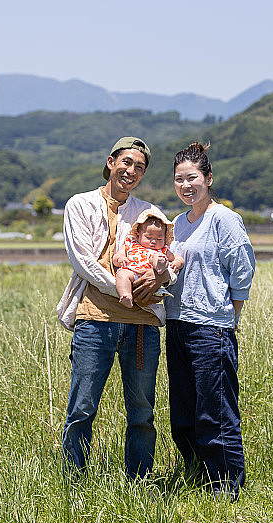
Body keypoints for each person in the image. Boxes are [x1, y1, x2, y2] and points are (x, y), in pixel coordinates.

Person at [56, 136, 173, 479]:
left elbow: (169, 257)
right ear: (110, 162)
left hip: (142, 326)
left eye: (140, 167)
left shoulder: (149, 212)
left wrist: (157, 283)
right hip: (95, 318)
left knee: (142, 410)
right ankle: (74, 483)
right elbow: (83, 261)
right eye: (126, 163)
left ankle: (139, 482)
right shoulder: (79, 204)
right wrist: (125, 289)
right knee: (82, 407)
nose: (131, 171)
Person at [165, 142, 256, 500]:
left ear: (208, 178)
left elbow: (242, 269)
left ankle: (226, 487)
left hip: (211, 328)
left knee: (215, 411)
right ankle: (197, 476)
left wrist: (231, 316)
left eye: (193, 178)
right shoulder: (177, 224)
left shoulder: (224, 219)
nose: (186, 186)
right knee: (184, 412)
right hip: (177, 323)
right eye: (179, 180)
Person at [113, 207, 184, 308]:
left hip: (152, 274)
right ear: (138, 236)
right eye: (149, 237)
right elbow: (117, 256)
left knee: (157, 256)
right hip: (132, 272)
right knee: (122, 275)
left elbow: (179, 258)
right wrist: (120, 259)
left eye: (159, 238)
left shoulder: (163, 250)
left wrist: (177, 263)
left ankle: (159, 264)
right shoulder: (131, 245)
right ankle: (126, 295)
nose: (154, 241)